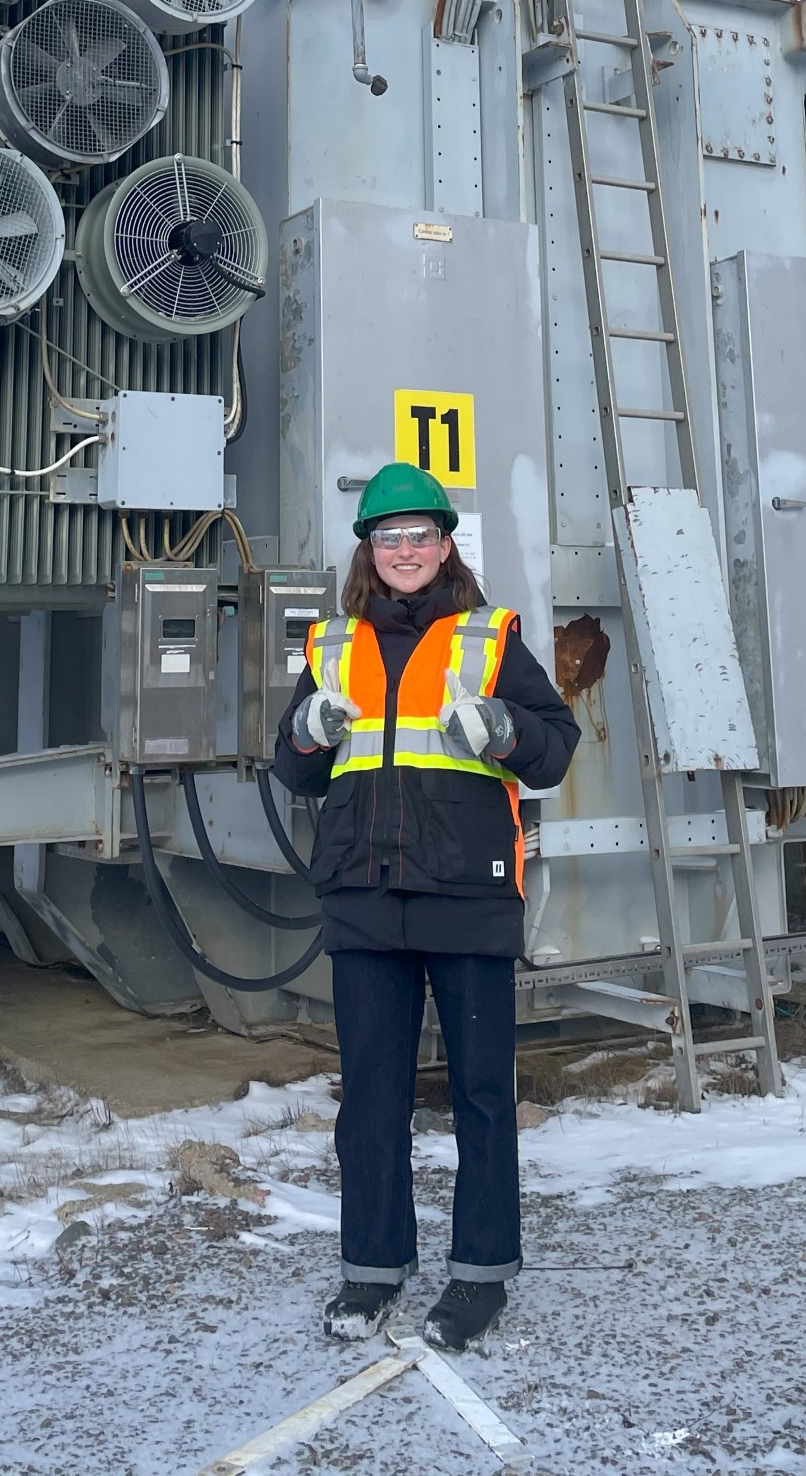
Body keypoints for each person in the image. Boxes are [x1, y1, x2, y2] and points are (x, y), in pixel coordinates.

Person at [272, 461, 578, 1352]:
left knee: (483, 1094)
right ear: (368, 551)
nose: (404, 551)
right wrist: (305, 732)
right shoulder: (333, 645)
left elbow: (554, 750)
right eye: (386, 537)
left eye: (420, 536)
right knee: (370, 1097)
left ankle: (480, 1275)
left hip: (466, 894)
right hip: (366, 894)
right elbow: (291, 770)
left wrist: (508, 731)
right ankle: (372, 1269)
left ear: (446, 548)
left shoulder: (487, 638)